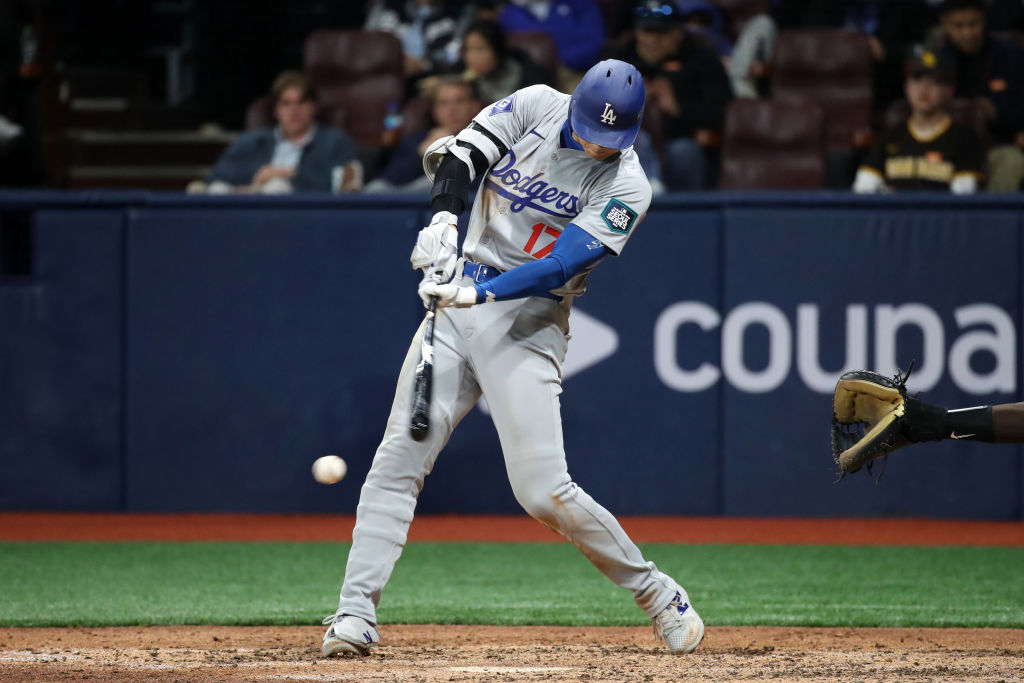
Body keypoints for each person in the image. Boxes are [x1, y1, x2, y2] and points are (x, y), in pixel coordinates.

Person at [321, 59, 704, 658]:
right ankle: (353, 614)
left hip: (527, 320)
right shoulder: (535, 104)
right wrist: (445, 222)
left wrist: (477, 292)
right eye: (588, 131)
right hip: (454, 302)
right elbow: (463, 155)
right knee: (399, 457)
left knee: (542, 491)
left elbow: (563, 262)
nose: (594, 146)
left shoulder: (629, 185)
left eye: (610, 141)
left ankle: (658, 594)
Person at [605, 0, 733, 190]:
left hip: (679, 138)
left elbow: (724, 114)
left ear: (679, 33)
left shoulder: (702, 59)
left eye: (663, 32)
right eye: (648, 32)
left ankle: (687, 216)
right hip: (625, 142)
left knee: (684, 152)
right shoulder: (617, 57)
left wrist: (677, 107)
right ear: (637, 33)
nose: (654, 40)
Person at [201, 71, 359, 194]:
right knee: (217, 189)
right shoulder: (251, 142)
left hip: (303, 217)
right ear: (276, 110)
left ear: (314, 107)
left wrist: (289, 174)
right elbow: (216, 177)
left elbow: (341, 186)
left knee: (277, 187)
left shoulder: (336, 143)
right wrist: (257, 175)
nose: (294, 110)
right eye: (286, 103)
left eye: (302, 102)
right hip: (248, 212)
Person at [853, 51, 983, 193]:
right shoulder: (888, 137)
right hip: (892, 214)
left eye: (934, 81)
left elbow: (964, 199)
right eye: (916, 80)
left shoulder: (964, 140)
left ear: (949, 91)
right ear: (906, 87)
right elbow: (862, 189)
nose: (923, 89)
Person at [933, 0, 1024, 190]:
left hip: (997, 145)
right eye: (958, 26)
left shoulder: (1012, 56)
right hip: (946, 145)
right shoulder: (935, 62)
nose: (968, 33)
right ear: (944, 23)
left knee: (1011, 161)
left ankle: (995, 219)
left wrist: (996, 111)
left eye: (974, 24)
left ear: (985, 20)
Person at [365, 76, 482, 192]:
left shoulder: (487, 142)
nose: (452, 110)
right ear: (435, 112)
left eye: (459, 101)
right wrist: (424, 153)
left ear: (474, 107)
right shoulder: (415, 141)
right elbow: (389, 181)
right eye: (443, 103)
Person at [498, 0, 606, 91]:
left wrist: (558, 61)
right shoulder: (509, 14)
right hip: (527, 80)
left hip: (576, 73)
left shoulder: (581, 4)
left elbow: (592, 43)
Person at [459, 19, 551, 104]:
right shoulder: (464, 80)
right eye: (468, 49)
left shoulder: (530, 78)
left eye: (480, 49)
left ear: (498, 50)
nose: (473, 57)